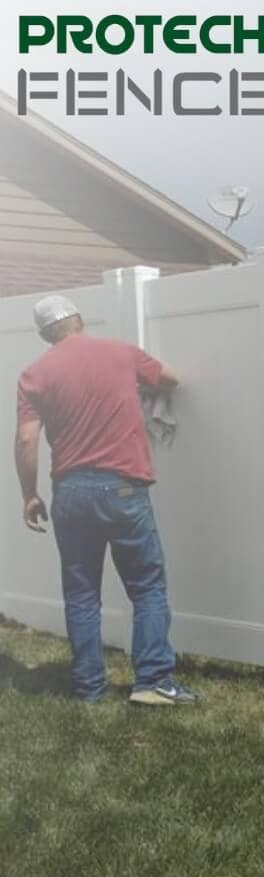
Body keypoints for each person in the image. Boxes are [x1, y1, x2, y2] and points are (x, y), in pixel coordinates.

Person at [13, 295, 196, 706]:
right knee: (147, 587)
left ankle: (89, 688)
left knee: (81, 593)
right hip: (123, 488)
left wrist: (29, 495)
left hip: (71, 494)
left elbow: (27, 438)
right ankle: (152, 681)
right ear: (78, 319)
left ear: (44, 334)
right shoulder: (120, 353)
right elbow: (170, 379)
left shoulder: (33, 374)